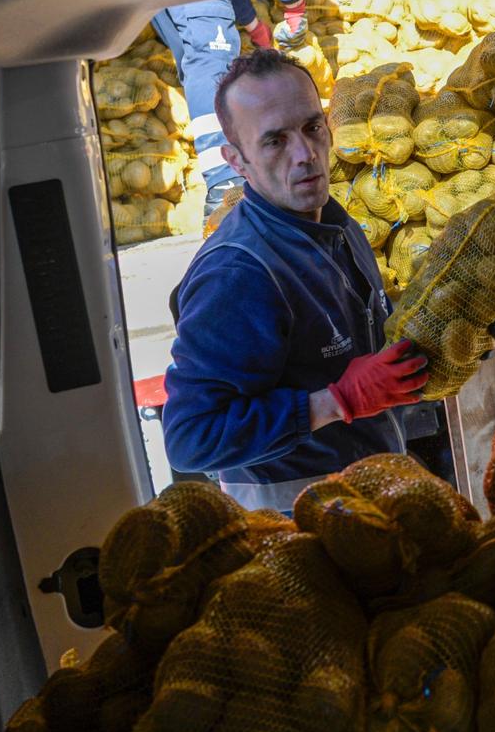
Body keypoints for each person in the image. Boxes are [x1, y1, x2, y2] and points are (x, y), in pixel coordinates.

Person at [162, 48, 432, 511]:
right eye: (274, 141)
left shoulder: (336, 224)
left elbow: (366, 365)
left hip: (370, 501)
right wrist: (334, 401)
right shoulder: (238, 272)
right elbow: (191, 439)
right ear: (236, 160)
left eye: (311, 128)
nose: (305, 155)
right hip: (294, 529)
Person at [150, 0, 309, 210]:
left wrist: (253, 26)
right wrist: (293, 4)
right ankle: (223, 183)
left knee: (196, 63)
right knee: (211, 63)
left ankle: (223, 181)